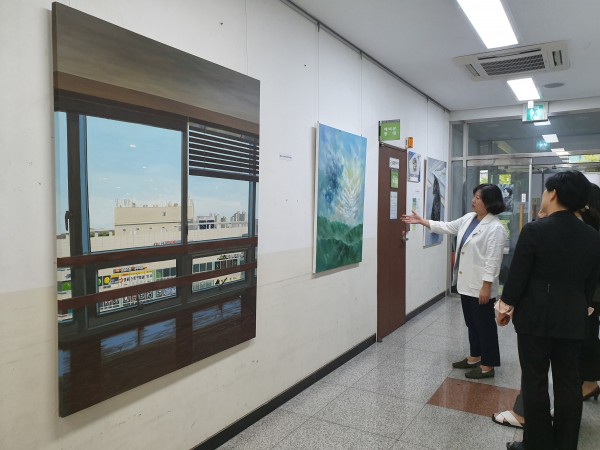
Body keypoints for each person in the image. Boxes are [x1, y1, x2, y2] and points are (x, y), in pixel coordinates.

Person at [497, 171, 600, 450]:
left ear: (553, 194)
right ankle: (566, 444)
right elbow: (590, 284)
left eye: (545, 191)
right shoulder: (592, 236)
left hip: (535, 321)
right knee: (569, 383)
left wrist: (504, 307)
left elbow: (517, 278)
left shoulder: (535, 230)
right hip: (573, 320)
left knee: (535, 381)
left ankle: (537, 444)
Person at [402, 183, 507, 378]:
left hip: (481, 286)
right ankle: (475, 357)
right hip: (466, 284)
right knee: (472, 323)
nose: (473, 200)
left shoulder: (495, 228)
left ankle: (488, 366)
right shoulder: (469, 218)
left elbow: (493, 261)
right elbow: (448, 226)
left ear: (489, 202)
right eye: (474, 196)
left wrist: (486, 286)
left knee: (485, 326)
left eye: (478, 197)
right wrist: (423, 221)